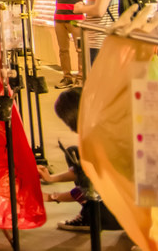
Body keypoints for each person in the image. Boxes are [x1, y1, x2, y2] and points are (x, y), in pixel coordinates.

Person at [39, 87, 122, 233]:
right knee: (74, 152)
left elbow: (89, 189)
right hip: (134, 203)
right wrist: (52, 179)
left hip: (122, 214)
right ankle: (93, 214)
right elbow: (82, 170)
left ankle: (92, 217)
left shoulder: (99, 142)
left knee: (79, 163)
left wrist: (51, 197)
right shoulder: (105, 125)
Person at [46, 0, 87, 88]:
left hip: (76, 18)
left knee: (80, 49)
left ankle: (81, 77)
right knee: (63, 50)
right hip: (59, 17)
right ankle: (67, 77)